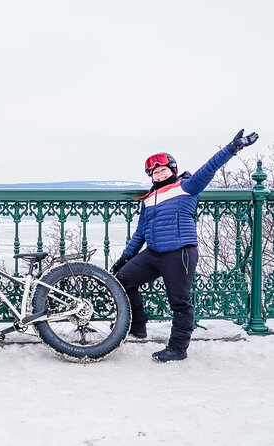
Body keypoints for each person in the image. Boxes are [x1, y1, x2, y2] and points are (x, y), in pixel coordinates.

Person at [110, 129, 259, 363]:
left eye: (162, 170)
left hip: (179, 253)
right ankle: (137, 326)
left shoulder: (186, 186)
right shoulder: (149, 198)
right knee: (122, 279)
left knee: (179, 302)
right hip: (153, 254)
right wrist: (124, 258)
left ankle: (178, 348)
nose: (158, 174)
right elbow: (140, 232)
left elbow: (209, 168)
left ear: (173, 170)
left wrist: (232, 148)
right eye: (154, 172)